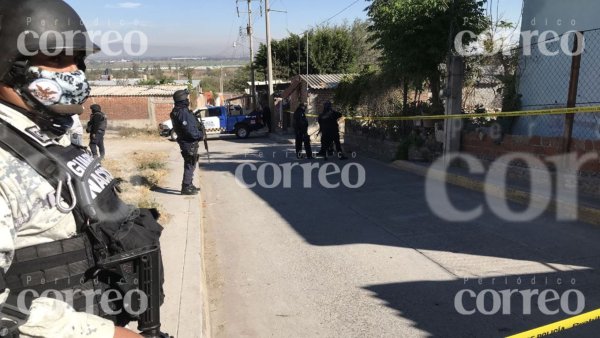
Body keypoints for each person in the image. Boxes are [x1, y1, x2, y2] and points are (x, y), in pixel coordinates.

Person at [0, 1, 167, 337]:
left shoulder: (47, 135)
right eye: (57, 60)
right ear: (9, 65)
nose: (74, 72)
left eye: (77, 59)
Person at [171, 89, 203, 195]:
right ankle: (186, 187)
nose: (188, 100)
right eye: (186, 98)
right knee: (190, 163)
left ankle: (189, 184)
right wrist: (199, 135)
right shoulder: (182, 112)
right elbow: (189, 130)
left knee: (191, 163)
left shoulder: (177, 110)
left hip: (186, 141)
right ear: (182, 99)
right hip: (188, 142)